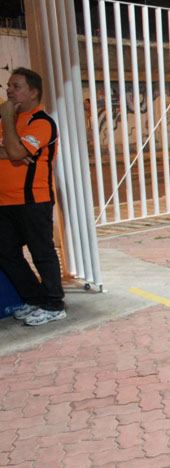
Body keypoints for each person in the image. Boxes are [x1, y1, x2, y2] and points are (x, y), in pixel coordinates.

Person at [0, 67, 65, 326]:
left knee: (42, 252)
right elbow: (15, 152)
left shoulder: (41, 121)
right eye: (8, 85)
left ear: (33, 92)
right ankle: (34, 298)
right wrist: (11, 148)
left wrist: (7, 124)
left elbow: (16, 153)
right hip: (4, 201)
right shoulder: (8, 122)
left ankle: (53, 303)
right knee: (6, 253)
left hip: (32, 200)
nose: (8, 90)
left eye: (16, 86)